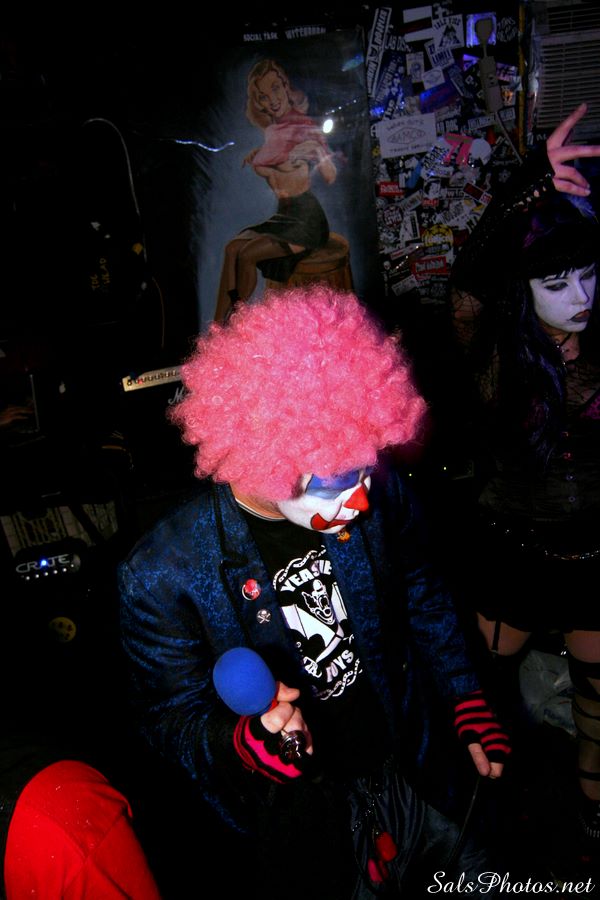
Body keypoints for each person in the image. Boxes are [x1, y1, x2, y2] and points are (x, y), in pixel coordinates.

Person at [118, 286, 510, 898]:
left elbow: (421, 592)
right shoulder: (162, 573)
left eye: (365, 470)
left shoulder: (376, 490)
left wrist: (464, 696)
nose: (359, 501)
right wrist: (242, 746)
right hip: (309, 823)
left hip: (415, 770)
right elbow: (171, 724)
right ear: (261, 450)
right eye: (335, 482)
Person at [450, 102, 600, 845]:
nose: (582, 297)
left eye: (590, 275)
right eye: (558, 282)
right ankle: (480, 814)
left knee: (598, 699)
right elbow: (469, 284)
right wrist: (524, 187)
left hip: (593, 552)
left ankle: (595, 808)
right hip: (513, 548)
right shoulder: (496, 357)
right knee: (481, 695)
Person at [213, 59, 337, 322]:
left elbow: (330, 175)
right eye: (263, 96)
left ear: (285, 85)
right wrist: (259, 154)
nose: (272, 100)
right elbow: (279, 158)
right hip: (284, 215)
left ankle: (237, 324)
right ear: (258, 102)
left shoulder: (304, 125)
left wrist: (316, 151)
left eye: (275, 88)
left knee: (247, 254)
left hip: (306, 220)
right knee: (232, 249)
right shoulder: (272, 131)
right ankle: (217, 328)